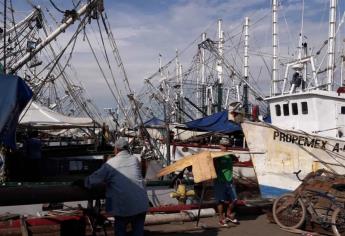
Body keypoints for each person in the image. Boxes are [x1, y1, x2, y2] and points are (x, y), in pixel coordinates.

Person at [84, 138, 149, 236]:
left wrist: (83, 182)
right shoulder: (134, 159)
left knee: (120, 230)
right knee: (138, 232)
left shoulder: (111, 163)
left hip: (124, 206)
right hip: (141, 204)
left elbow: (92, 180)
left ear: (116, 149)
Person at [214, 146, 239, 226]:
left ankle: (228, 214)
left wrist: (233, 156)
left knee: (234, 199)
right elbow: (211, 164)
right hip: (219, 181)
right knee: (220, 200)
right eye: (223, 145)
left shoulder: (230, 155)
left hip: (229, 180)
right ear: (220, 146)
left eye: (226, 145)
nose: (225, 147)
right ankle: (221, 219)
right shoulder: (217, 155)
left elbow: (236, 160)